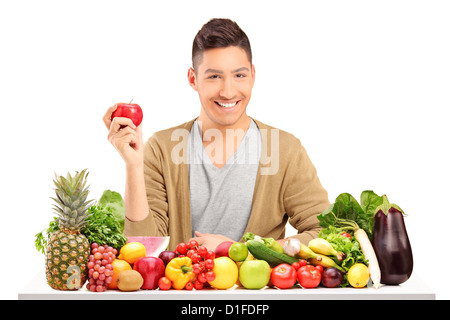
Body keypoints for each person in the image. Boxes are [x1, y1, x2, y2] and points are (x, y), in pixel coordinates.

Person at [103, 18, 329, 251]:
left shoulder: (285, 150)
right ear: (193, 79)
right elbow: (144, 248)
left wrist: (241, 251)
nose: (228, 91)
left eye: (239, 75)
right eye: (214, 76)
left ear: (252, 75)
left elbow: (326, 233)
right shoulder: (161, 149)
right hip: (183, 286)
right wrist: (133, 166)